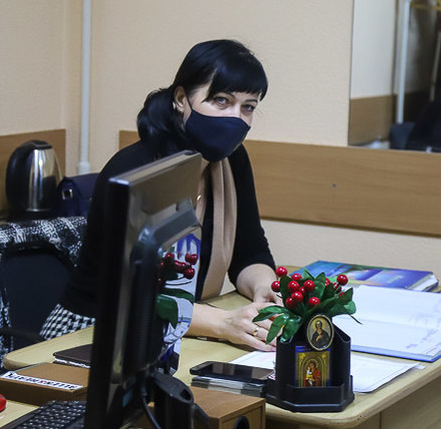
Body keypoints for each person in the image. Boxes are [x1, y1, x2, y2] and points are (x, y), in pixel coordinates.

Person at [40, 39, 280, 351]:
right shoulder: (134, 170)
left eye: (248, 107)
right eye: (221, 100)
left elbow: (249, 252)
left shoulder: (232, 161)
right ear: (182, 99)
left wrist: (265, 289)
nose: (236, 117)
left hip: (181, 328)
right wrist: (223, 323)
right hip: (94, 329)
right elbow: (134, 294)